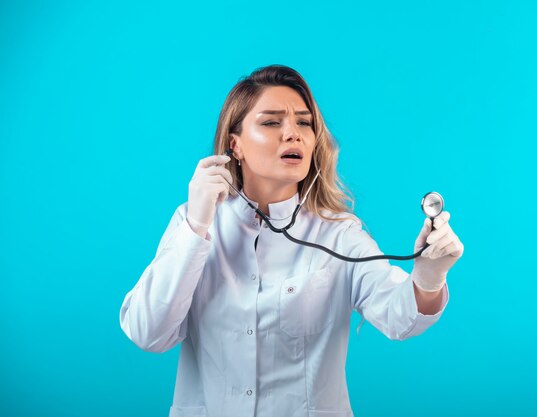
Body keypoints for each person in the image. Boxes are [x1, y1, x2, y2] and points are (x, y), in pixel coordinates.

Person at [119, 64, 464, 417]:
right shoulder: (193, 224)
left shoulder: (340, 233)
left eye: (304, 122)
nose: (293, 134)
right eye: (271, 122)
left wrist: (429, 276)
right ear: (234, 145)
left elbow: (398, 317)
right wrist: (196, 224)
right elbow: (148, 333)